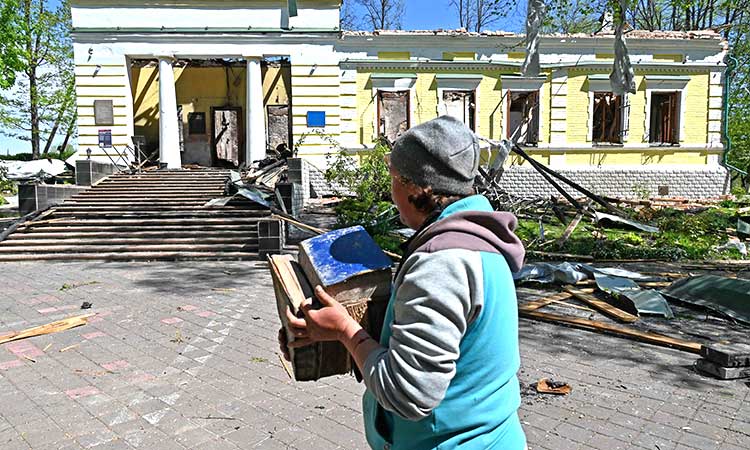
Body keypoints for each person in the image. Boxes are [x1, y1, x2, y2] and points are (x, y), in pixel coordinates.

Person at [280, 116, 527, 450]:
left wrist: (345, 331)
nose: (391, 191)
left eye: (393, 178)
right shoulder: (483, 242)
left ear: (414, 187)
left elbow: (408, 395)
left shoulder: (441, 264)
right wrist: (327, 333)